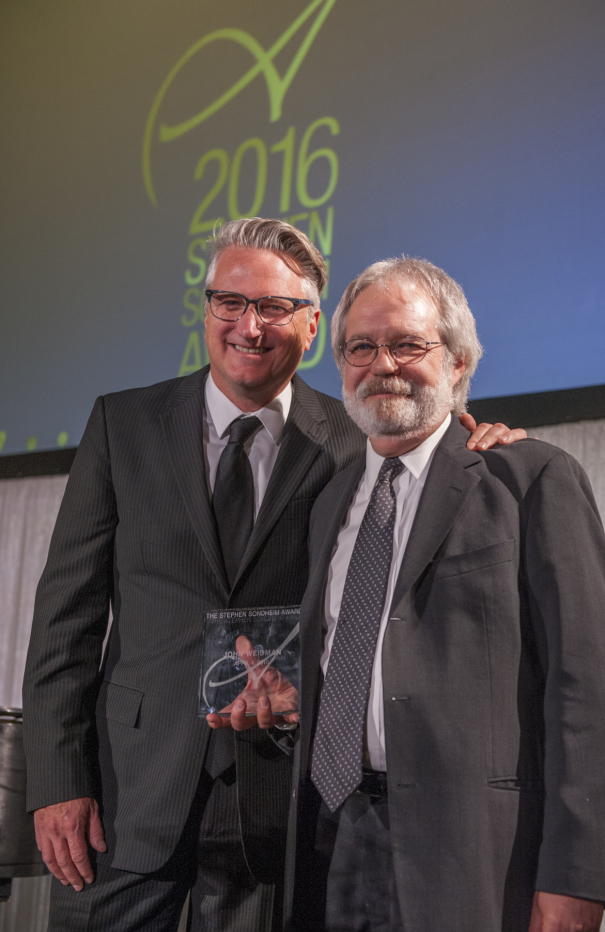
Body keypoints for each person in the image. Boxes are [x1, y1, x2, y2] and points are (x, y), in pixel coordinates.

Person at [22, 222, 524, 932]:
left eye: (276, 308)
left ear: (313, 326)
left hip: (281, 793)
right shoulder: (122, 425)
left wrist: (486, 441)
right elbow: (64, 625)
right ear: (207, 310)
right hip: (128, 791)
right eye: (230, 302)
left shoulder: (359, 439)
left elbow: (430, 458)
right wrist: (57, 783)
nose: (249, 327)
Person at [231, 256, 605, 932]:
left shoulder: (529, 480)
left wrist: (577, 878)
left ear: (459, 363)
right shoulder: (328, 503)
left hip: (476, 856)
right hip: (330, 840)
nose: (382, 363)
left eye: (408, 344)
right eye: (360, 347)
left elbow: (589, 692)